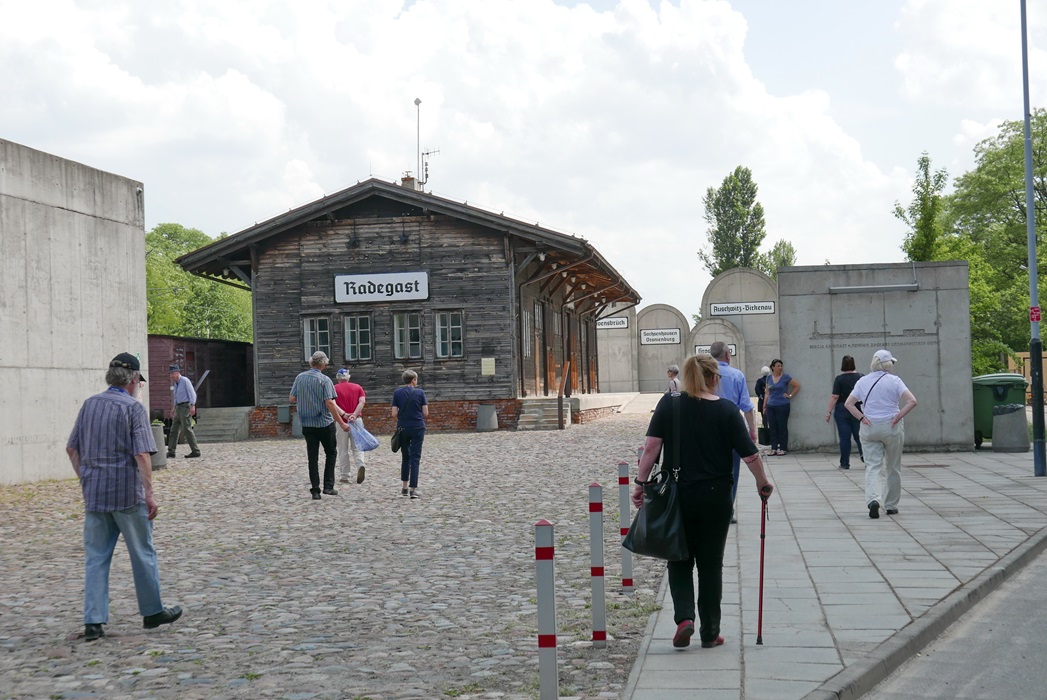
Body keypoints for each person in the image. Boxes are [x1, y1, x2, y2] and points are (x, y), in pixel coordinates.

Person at [632, 354, 773, 650]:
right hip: (716, 495)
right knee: (711, 564)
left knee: (679, 557)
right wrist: (762, 483)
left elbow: (651, 448)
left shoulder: (669, 404)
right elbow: (750, 454)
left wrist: (640, 484)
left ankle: (685, 619)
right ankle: (710, 632)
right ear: (714, 378)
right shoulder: (726, 410)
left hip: (678, 494)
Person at [66, 352, 182, 642]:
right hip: (127, 495)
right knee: (142, 554)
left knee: (96, 558)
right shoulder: (132, 409)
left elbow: (72, 449)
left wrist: (86, 480)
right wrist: (149, 493)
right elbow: (142, 453)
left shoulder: (89, 404)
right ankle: (152, 612)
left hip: (96, 496)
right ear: (133, 380)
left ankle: (93, 622)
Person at [844, 349, 918, 519]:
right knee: (893, 466)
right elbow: (912, 401)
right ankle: (891, 505)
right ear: (888, 364)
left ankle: (873, 500)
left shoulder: (862, 381)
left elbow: (849, 404)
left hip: (869, 427)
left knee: (873, 466)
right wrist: (898, 416)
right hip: (891, 426)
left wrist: (861, 417)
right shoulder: (895, 381)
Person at [290, 351, 349, 500]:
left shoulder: (300, 378)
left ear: (311, 363)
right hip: (324, 422)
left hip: (307, 423)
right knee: (331, 453)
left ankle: (315, 490)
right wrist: (341, 422)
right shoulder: (325, 380)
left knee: (312, 457)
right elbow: (329, 403)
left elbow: (292, 398)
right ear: (323, 364)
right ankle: (328, 487)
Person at [708, 342, 757, 520]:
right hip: (732, 428)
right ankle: (727, 509)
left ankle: (711, 506)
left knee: (709, 468)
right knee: (732, 471)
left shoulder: (703, 374)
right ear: (728, 355)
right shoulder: (737, 375)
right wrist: (752, 431)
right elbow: (746, 406)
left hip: (708, 428)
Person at [391, 369, 429, 499]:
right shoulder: (420, 393)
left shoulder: (397, 393)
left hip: (403, 427)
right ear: (413, 380)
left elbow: (394, 414)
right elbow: (425, 413)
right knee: (415, 457)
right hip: (417, 427)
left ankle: (404, 487)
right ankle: (414, 489)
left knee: (405, 457)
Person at [826, 355, 864, 469]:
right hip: (857, 408)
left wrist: (828, 412)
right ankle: (865, 456)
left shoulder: (839, 379)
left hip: (842, 409)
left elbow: (834, 396)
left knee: (844, 437)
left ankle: (844, 463)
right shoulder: (861, 377)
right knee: (860, 435)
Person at [334, 368, 367, 485]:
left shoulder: (334, 388)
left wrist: (345, 414)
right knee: (357, 446)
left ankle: (345, 475)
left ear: (338, 378)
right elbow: (362, 402)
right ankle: (360, 464)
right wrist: (354, 414)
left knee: (342, 448)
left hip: (341, 421)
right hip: (356, 420)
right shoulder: (357, 387)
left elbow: (332, 404)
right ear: (348, 377)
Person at [763, 359, 800, 455]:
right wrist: (764, 406)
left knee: (782, 426)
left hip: (782, 405)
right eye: (778, 366)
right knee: (773, 426)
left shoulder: (785, 377)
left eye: (781, 366)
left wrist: (790, 395)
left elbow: (797, 385)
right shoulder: (769, 378)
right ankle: (773, 447)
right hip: (771, 405)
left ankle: (783, 448)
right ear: (773, 367)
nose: (780, 368)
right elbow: (767, 392)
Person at [167, 364, 201, 459]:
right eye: (170, 374)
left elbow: (192, 393)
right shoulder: (176, 384)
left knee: (187, 429)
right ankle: (171, 451)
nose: (171, 376)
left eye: (172, 373)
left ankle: (195, 450)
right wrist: (174, 408)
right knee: (174, 430)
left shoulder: (185, 381)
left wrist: (192, 405)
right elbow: (176, 397)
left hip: (185, 406)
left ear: (177, 373)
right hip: (178, 407)